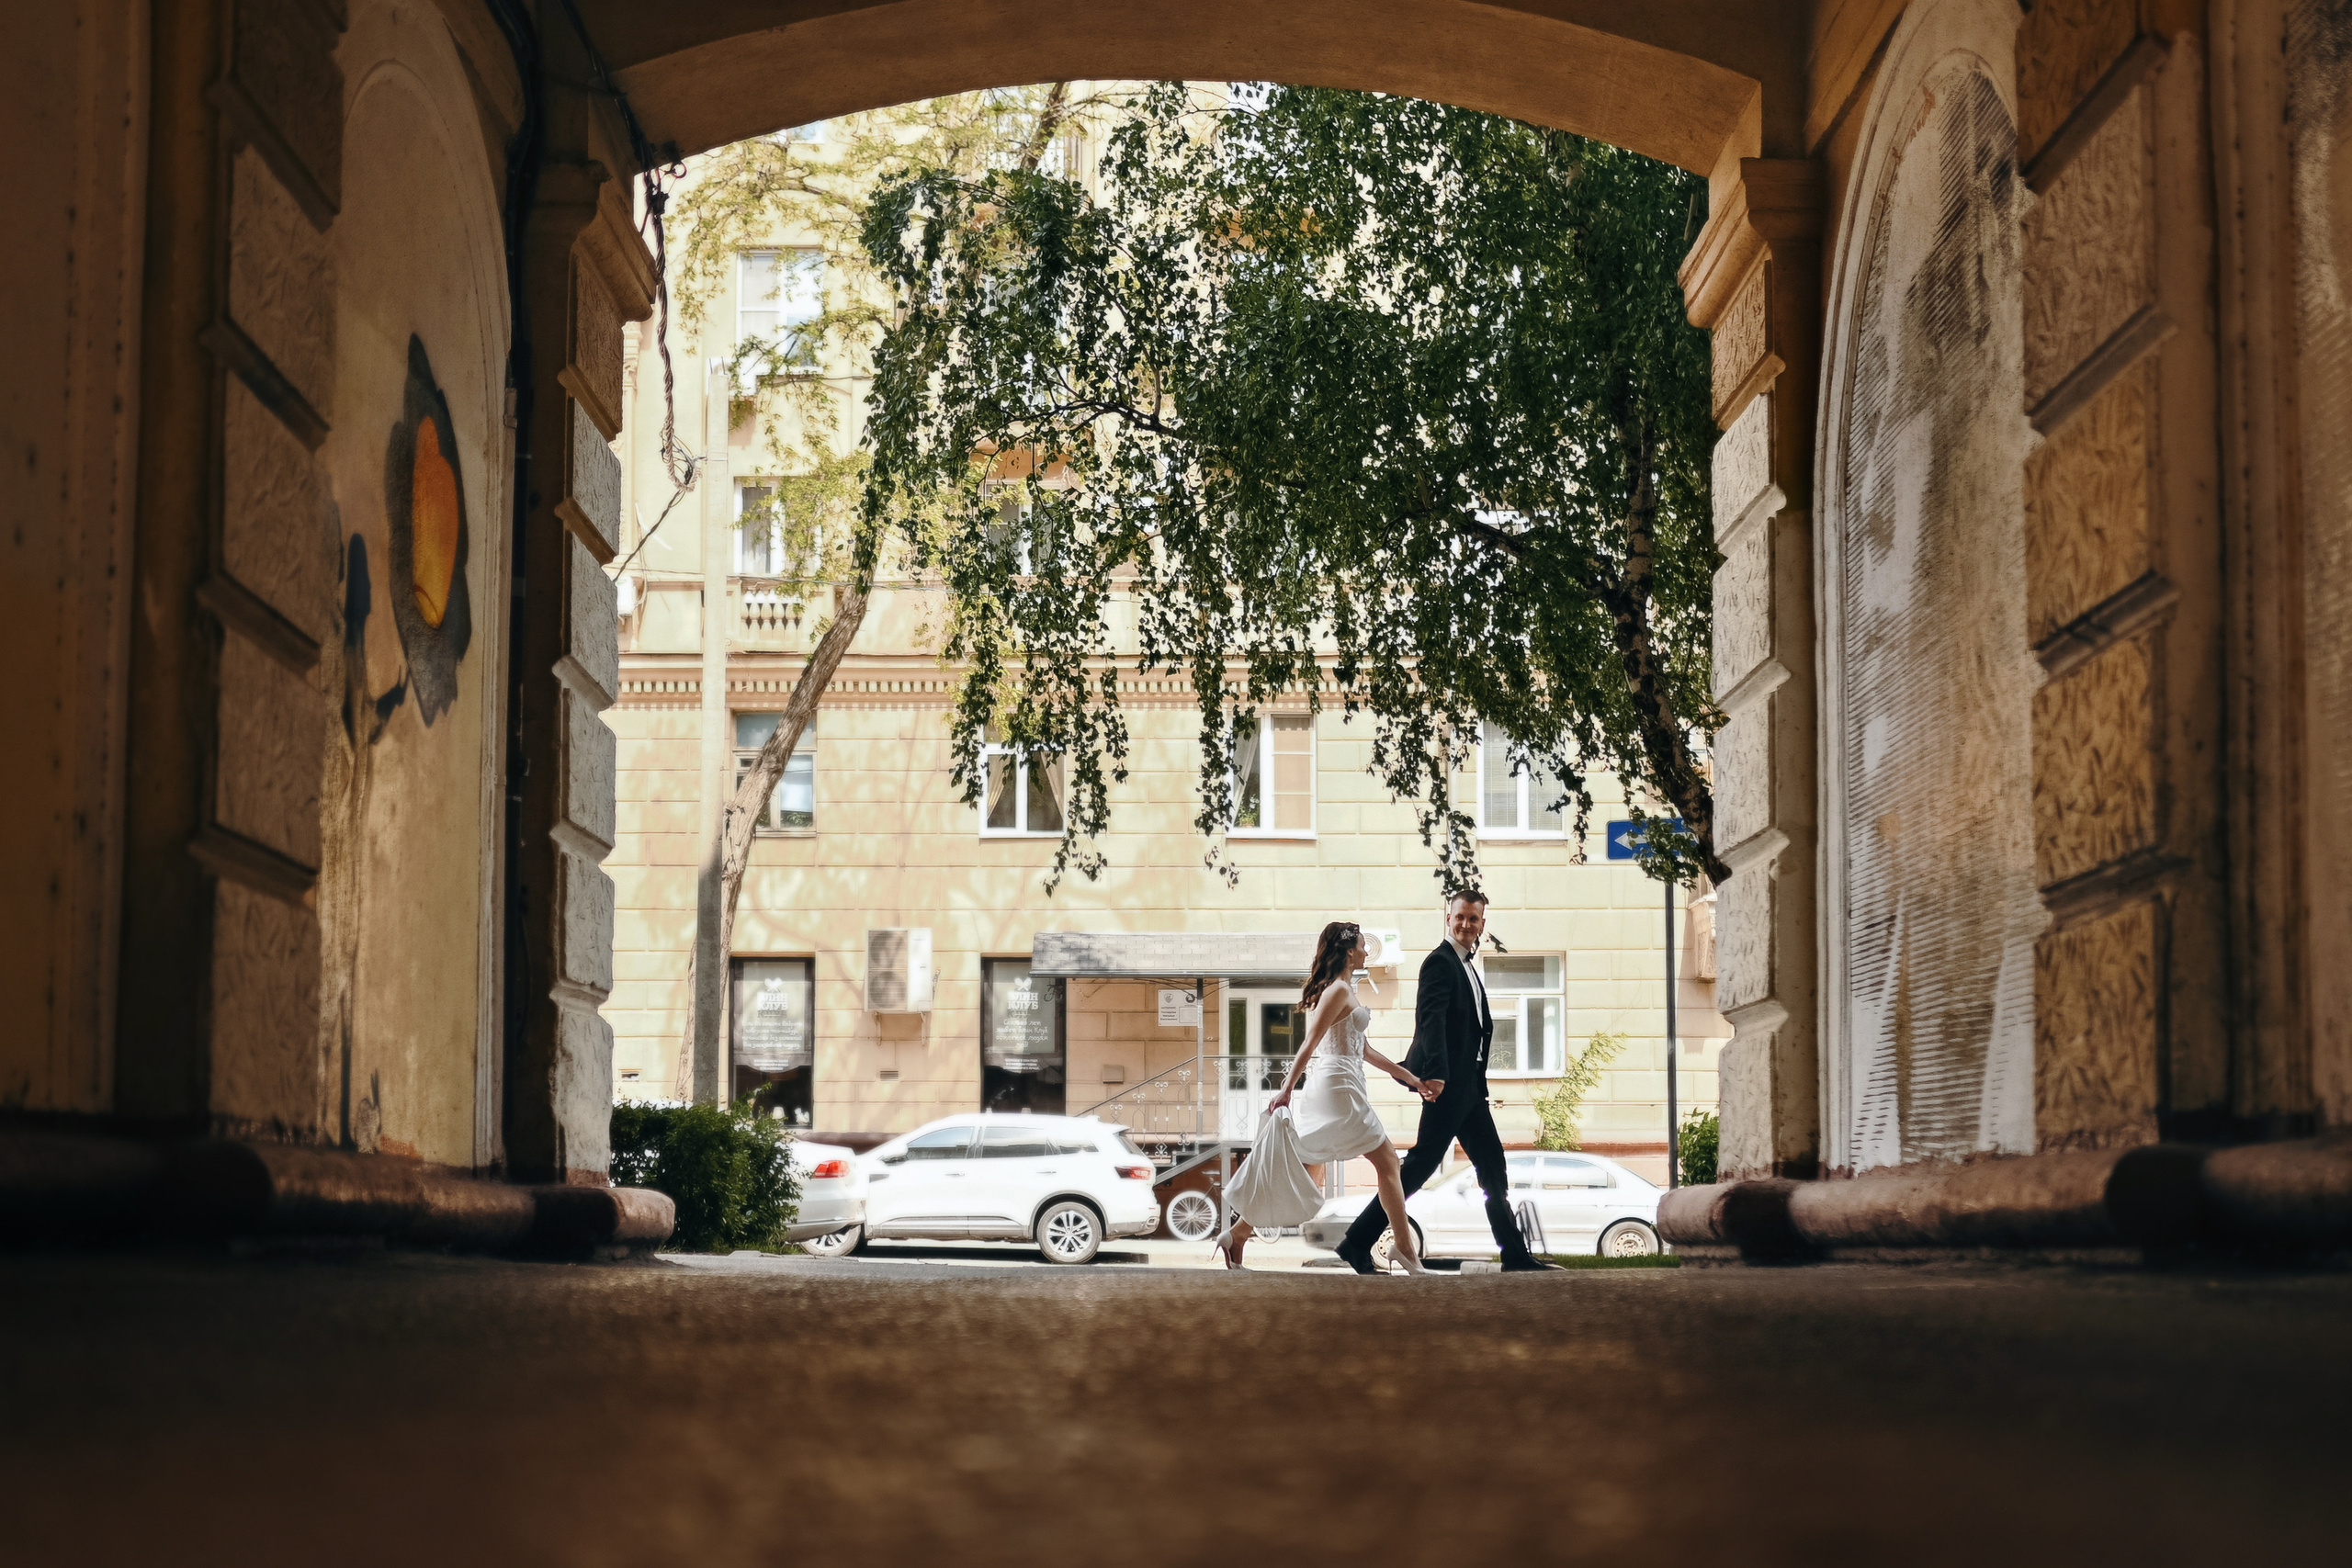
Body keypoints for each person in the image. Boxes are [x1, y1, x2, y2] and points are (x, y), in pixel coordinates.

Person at [1332, 890, 1554, 1273]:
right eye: (1460, 918)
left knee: (1491, 1167)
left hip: (1470, 1089)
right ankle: (1356, 1242)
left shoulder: (1466, 964)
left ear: (1483, 924)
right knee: (1419, 1167)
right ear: (1448, 920)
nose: (1466, 924)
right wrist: (1433, 1075)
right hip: (1448, 1087)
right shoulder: (1439, 962)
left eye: (1474, 919)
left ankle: (1515, 1255)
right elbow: (1430, 1019)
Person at [1212, 921, 1439, 1272]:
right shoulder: (1337, 991)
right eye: (1363, 946)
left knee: (1305, 1169)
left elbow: (1364, 1050)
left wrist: (1409, 1077)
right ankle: (1405, 1249)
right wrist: (1286, 1089)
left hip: (1343, 1082)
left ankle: (1238, 1234)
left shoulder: (1345, 990)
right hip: (1338, 1088)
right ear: (1350, 952)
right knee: (1389, 1161)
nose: (1366, 951)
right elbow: (1310, 1042)